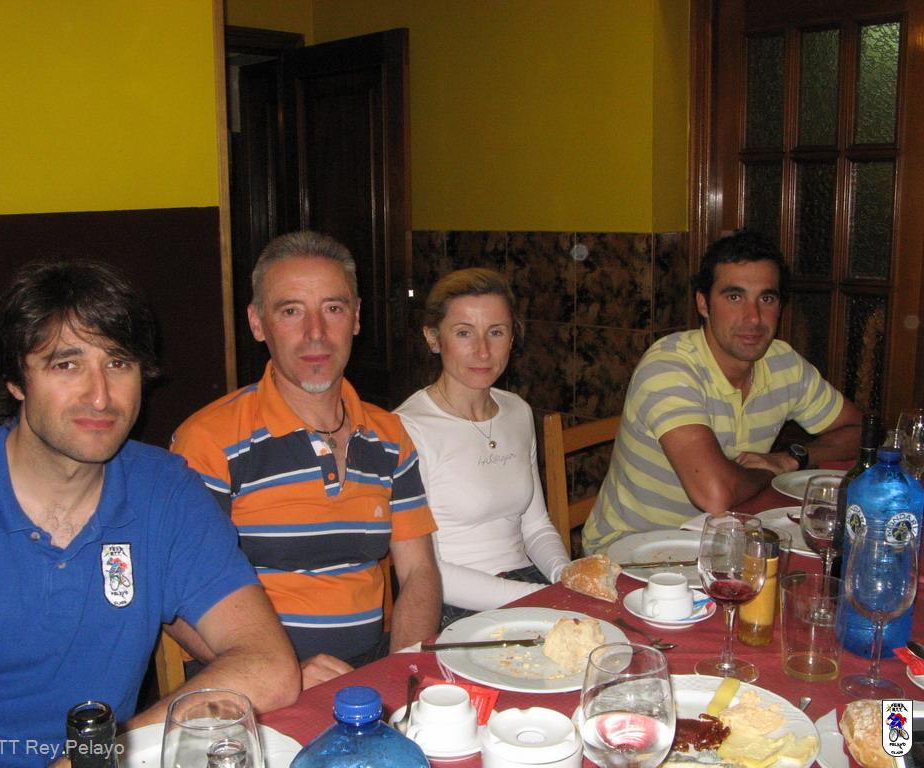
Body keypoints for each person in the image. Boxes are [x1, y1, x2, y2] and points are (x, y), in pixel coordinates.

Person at [0, 260, 300, 767]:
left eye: (118, 364)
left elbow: (269, 665)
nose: (100, 396)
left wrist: (95, 753)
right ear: (17, 380)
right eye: (66, 365)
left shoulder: (164, 492)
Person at [171, 231, 441, 689]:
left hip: (370, 672)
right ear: (257, 323)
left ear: (356, 318)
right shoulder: (210, 440)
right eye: (291, 311)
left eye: (333, 308)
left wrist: (401, 675)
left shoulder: (389, 436)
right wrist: (287, 678)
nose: (316, 333)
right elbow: (173, 598)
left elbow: (419, 572)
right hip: (249, 684)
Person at [583, 230, 862, 552]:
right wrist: (765, 473)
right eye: (734, 297)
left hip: (720, 544)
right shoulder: (669, 367)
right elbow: (715, 494)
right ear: (703, 304)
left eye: (766, 299)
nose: (753, 318)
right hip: (628, 553)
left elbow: (860, 431)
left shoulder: (783, 362)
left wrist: (791, 459)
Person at [394, 268, 570, 627]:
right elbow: (428, 570)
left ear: (512, 338)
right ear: (433, 338)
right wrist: (539, 599)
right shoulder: (407, 429)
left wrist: (566, 578)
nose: (483, 351)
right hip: (453, 604)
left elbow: (536, 526)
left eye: (496, 332)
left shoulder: (517, 411)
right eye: (464, 333)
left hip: (526, 587)